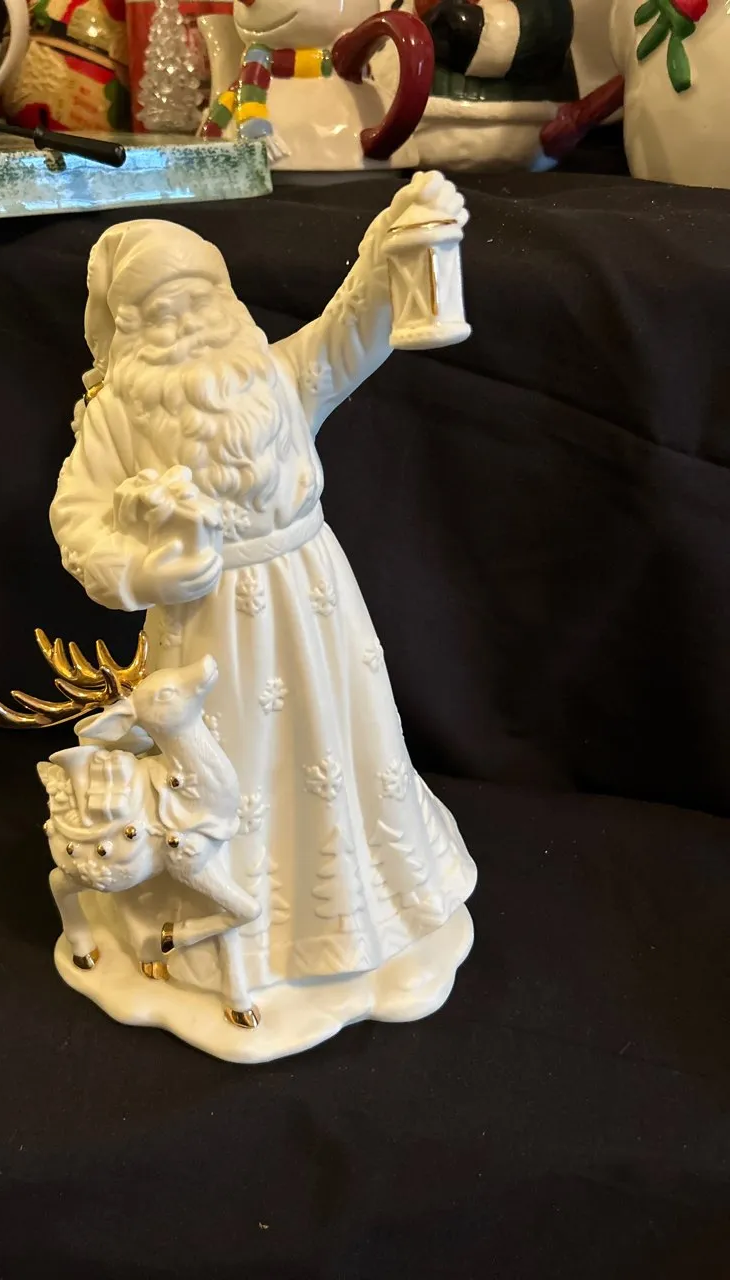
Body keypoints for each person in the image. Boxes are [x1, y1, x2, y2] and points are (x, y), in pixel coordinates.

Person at [50, 173, 477, 1003]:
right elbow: (80, 520)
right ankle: (238, 929)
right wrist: (145, 570)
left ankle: (348, 914)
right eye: (161, 312)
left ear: (226, 300)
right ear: (129, 328)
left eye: (198, 301)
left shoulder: (277, 375)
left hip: (311, 600)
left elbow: (353, 330)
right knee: (226, 766)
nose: (186, 325)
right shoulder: (117, 415)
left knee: (335, 744)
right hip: (204, 621)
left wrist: (393, 238)